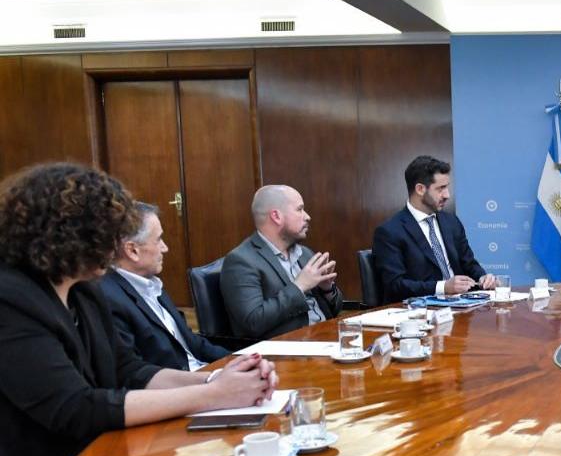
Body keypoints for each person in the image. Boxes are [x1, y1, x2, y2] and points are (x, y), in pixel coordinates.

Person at [0, 163, 277, 456]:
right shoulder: (11, 300)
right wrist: (210, 397)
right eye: (107, 234)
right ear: (66, 236)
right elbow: (75, 409)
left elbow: (130, 370)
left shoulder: (86, 291)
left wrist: (215, 381)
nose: (116, 247)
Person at [100, 202, 229, 371]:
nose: (165, 248)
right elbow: (136, 374)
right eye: (158, 239)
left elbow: (193, 343)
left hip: (207, 375)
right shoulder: (109, 299)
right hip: (181, 389)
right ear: (133, 251)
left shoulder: (151, 284)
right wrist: (212, 381)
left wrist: (242, 359)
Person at [221, 185, 343, 340]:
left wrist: (327, 289)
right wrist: (299, 287)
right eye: (299, 209)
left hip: (326, 337)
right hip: (289, 350)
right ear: (276, 216)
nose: (307, 216)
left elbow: (334, 311)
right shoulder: (241, 261)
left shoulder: (304, 253)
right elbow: (253, 322)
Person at [373, 155, 495, 303]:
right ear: (420, 189)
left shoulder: (451, 222)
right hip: (420, 314)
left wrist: (482, 277)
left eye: (447, 187)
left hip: (463, 307)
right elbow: (395, 286)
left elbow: (468, 263)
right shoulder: (390, 232)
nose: (447, 195)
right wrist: (443, 287)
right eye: (441, 188)